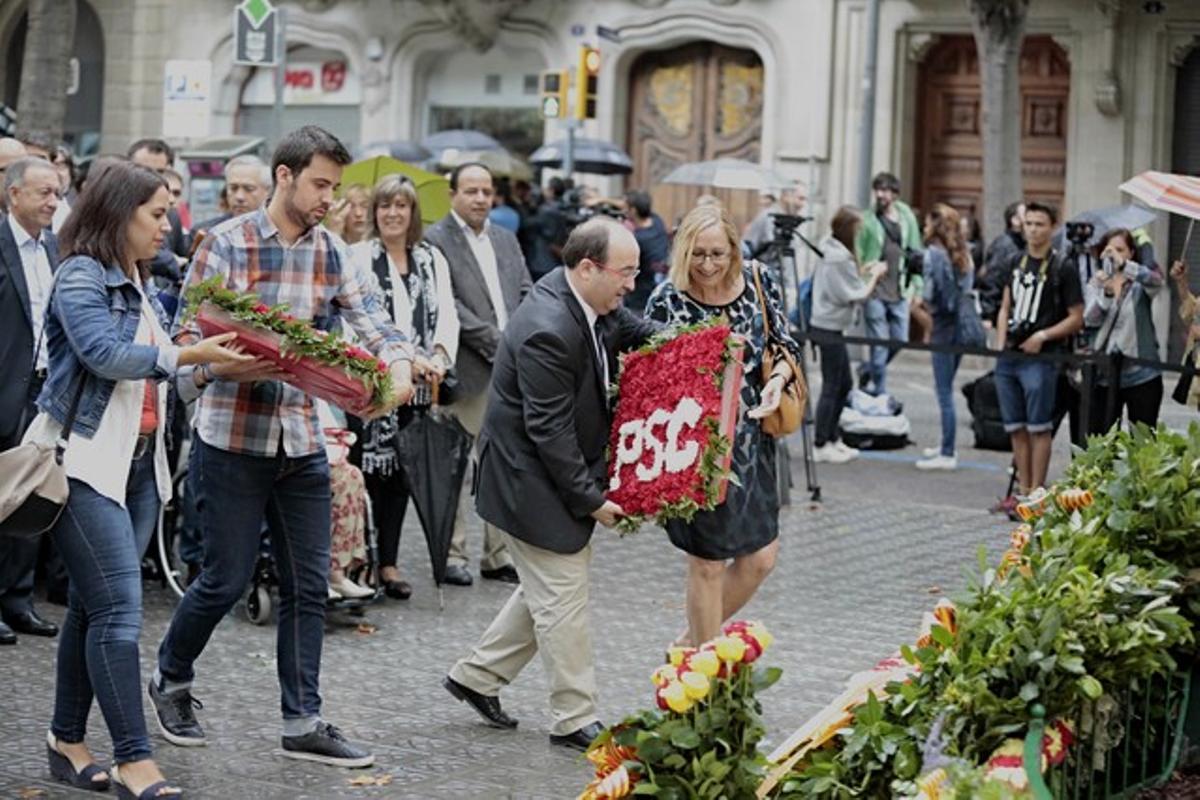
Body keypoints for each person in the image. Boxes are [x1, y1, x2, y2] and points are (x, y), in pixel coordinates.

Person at [150, 126, 419, 768]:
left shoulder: (334, 253)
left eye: (335, 185)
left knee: (307, 585)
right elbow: (183, 347)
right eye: (320, 184)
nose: (330, 198)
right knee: (225, 578)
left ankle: (303, 721)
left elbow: (375, 324)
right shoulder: (225, 242)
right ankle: (170, 678)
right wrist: (219, 366)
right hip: (231, 438)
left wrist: (401, 366)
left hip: (302, 438)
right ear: (284, 176)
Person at [24, 159, 249, 798]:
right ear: (119, 213)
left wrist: (215, 372)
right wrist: (188, 353)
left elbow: (161, 380)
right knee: (121, 612)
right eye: (156, 214)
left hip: (136, 467)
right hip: (81, 466)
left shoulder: (137, 278)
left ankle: (66, 741)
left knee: (91, 612)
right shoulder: (80, 275)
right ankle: (134, 759)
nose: (167, 226)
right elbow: (104, 354)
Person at [443, 218, 659, 752]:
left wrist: (692, 344)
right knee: (563, 595)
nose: (631, 283)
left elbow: (629, 327)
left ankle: (476, 676)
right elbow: (550, 432)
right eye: (625, 273)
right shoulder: (548, 326)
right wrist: (592, 500)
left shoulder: (589, 300)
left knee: (548, 589)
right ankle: (573, 718)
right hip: (526, 478)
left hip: (543, 471)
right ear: (588, 268)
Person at [644, 205, 801, 646]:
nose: (708, 266)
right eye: (697, 255)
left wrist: (775, 381)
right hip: (699, 447)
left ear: (734, 248)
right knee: (708, 563)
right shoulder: (667, 298)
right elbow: (652, 379)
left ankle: (688, 648)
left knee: (761, 559)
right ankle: (701, 674)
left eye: (717, 254)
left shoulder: (757, 279)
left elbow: (785, 343)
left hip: (754, 442)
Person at [349, 173, 459, 600]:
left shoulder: (432, 259)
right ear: (375, 212)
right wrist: (393, 362)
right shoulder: (357, 256)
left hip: (418, 387)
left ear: (413, 213)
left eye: (402, 206)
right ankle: (361, 560)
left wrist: (436, 357)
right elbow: (352, 317)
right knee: (366, 474)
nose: (393, 214)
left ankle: (390, 561)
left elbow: (447, 314)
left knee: (399, 479)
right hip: (372, 385)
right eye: (385, 205)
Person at [425, 162, 531, 587]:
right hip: (466, 368)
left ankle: (497, 554)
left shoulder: (505, 239)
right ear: (453, 194)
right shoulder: (436, 240)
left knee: (502, 462)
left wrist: (521, 336)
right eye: (471, 190)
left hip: (511, 369)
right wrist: (496, 340)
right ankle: (452, 554)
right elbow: (448, 303)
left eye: (486, 191)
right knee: (456, 465)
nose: (480, 198)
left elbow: (526, 289)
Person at [0, 156, 62, 646]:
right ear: (13, 193)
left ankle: (18, 600)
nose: (52, 202)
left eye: (57, 194)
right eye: (43, 192)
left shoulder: (55, 249)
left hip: (44, 390)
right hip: (5, 386)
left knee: (30, 497)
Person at [995, 201, 1084, 495]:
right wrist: (999, 345)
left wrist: (1043, 336)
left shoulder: (1063, 266)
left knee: (1039, 427)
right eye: (1028, 223)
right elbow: (1005, 306)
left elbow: (1076, 317)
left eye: (1039, 224)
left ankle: (1036, 490)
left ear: (1052, 226)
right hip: (1010, 355)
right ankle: (1023, 489)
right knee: (1015, 427)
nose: (1033, 230)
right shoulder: (1014, 261)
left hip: (1042, 358)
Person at [810, 207, 889, 463]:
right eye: (857, 228)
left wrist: (864, 271)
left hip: (829, 325)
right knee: (833, 385)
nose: (860, 233)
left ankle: (832, 438)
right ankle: (821, 443)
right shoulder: (838, 258)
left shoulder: (833, 250)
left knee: (843, 383)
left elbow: (846, 283)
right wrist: (875, 276)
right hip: (828, 326)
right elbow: (851, 294)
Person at [1082, 228, 1165, 432]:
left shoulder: (1140, 284)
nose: (1114, 255)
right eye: (1109, 250)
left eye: (1120, 249)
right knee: (1103, 439)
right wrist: (1107, 294)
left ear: (1131, 253)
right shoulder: (1097, 281)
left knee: (1143, 440)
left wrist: (1125, 266)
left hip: (1141, 372)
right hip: (1104, 373)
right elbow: (1090, 320)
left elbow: (1157, 282)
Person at [916, 203, 975, 471]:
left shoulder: (933, 255)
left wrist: (920, 304)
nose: (925, 227)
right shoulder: (964, 253)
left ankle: (948, 452)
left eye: (928, 223)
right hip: (960, 325)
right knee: (946, 388)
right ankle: (944, 444)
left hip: (942, 325)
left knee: (943, 391)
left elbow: (930, 294)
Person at [855, 171, 923, 397]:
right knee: (879, 343)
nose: (881, 195)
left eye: (885, 191)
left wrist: (918, 286)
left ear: (895, 194)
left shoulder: (906, 217)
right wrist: (867, 271)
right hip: (875, 289)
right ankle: (880, 392)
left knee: (900, 340)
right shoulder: (867, 219)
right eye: (878, 190)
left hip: (900, 289)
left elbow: (915, 253)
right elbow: (859, 255)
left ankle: (868, 369)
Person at [979, 201, 1025, 324]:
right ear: (1014, 220)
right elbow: (992, 278)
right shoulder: (1004, 245)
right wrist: (988, 313)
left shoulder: (1021, 244)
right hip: (1000, 313)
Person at [624, 189, 669, 313]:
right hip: (660, 289)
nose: (623, 210)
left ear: (633, 210)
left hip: (639, 299)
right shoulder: (657, 221)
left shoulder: (636, 241)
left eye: (625, 207)